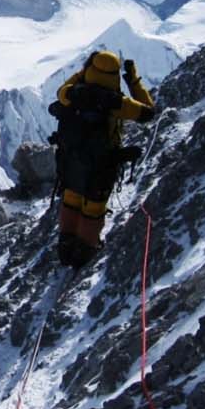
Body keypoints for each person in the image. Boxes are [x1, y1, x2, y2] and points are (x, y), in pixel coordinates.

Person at [50, 50, 155, 267]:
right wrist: (133, 79)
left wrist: (84, 73)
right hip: (100, 168)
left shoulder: (71, 94)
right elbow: (148, 112)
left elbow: (61, 91)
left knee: (71, 199)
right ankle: (85, 252)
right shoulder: (116, 103)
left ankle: (66, 248)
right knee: (93, 209)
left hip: (69, 164)